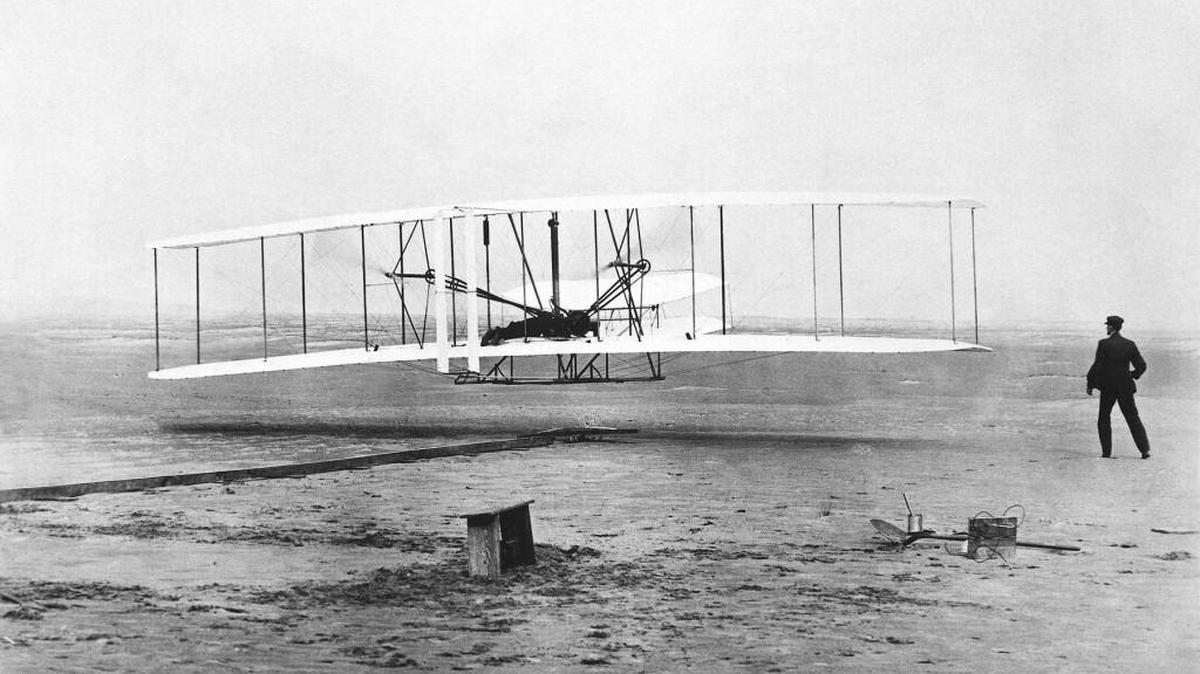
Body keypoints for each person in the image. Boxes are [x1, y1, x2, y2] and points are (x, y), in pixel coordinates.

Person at [1086, 315, 1150, 458]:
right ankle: (1144, 450)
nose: (1106, 328)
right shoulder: (1130, 344)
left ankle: (1106, 452)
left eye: (1107, 326)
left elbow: (1097, 366)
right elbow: (1142, 365)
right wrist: (1131, 375)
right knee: (1133, 418)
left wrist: (1090, 383)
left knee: (1104, 418)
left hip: (1108, 387)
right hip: (1125, 387)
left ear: (1111, 327)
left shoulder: (1103, 344)